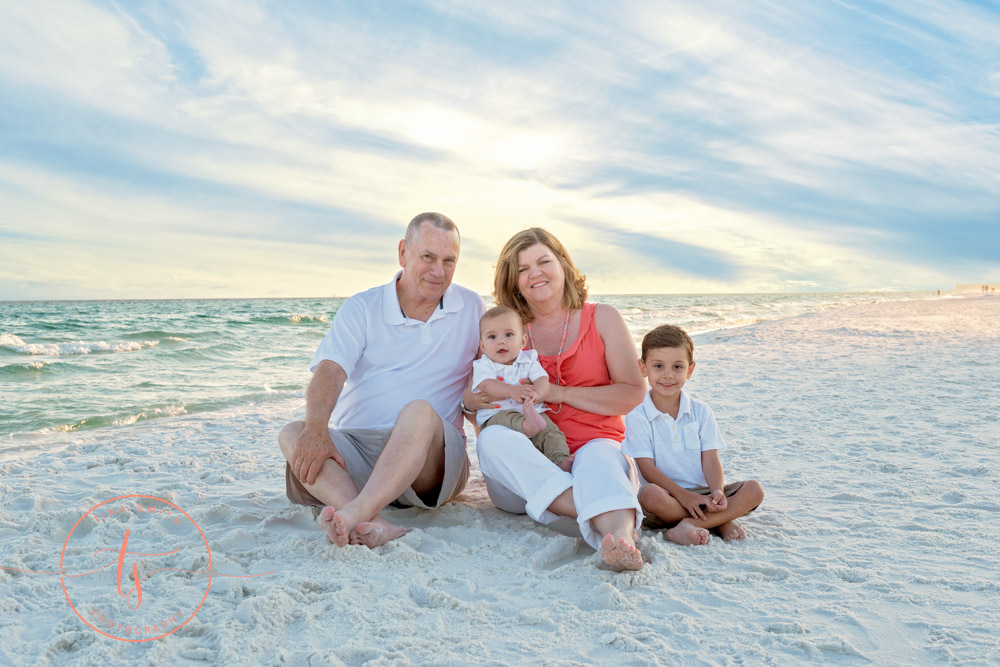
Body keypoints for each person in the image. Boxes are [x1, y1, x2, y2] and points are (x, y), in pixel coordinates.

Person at [278, 212, 485, 548]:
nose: (439, 271)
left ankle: (355, 511)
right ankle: (373, 521)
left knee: (418, 410)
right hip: (360, 451)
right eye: (428, 257)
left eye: (449, 261)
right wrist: (316, 428)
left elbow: (489, 379)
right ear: (403, 252)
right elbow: (330, 371)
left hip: (431, 461)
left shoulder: (472, 307)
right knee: (293, 431)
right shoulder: (363, 307)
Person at [468, 228, 648, 571]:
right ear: (514, 281)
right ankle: (599, 506)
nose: (534, 273)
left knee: (598, 459)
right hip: (525, 473)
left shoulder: (603, 317)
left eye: (543, 261)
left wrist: (558, 392)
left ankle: (620, 540)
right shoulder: (504, 329)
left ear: (563, 264)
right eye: (522, 269)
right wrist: (477, 401)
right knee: (492, 439)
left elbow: (633, 392)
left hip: (593, 447)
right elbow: (472, 392)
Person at [622, 324, 764, 546]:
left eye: (677, 367)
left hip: (703, 494)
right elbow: (646, 468)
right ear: (643, 368)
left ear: (690, 369)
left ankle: (693, 524)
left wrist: (717, 491)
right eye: (658, 366)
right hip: (667, 498)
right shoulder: (638, 417)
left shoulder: (701, 411)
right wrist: (683, 495)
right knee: (650, 495)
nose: (668, 375)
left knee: (754, 490)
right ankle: (719, 522)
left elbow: (710, 458)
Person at [471, 306, 570, 466]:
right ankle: (527, 426)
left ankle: (561, 460)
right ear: (482, 346)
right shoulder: (484, 365)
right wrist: (511, 391)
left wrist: (537, 394)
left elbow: (542, 379)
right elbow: (487, 385)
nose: (501, 341)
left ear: (523, 341)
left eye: (509, 335)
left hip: (532, 412)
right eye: (492, 337)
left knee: (551, 432)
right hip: (497, 413)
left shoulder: (528, 359)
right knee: (506, 419)